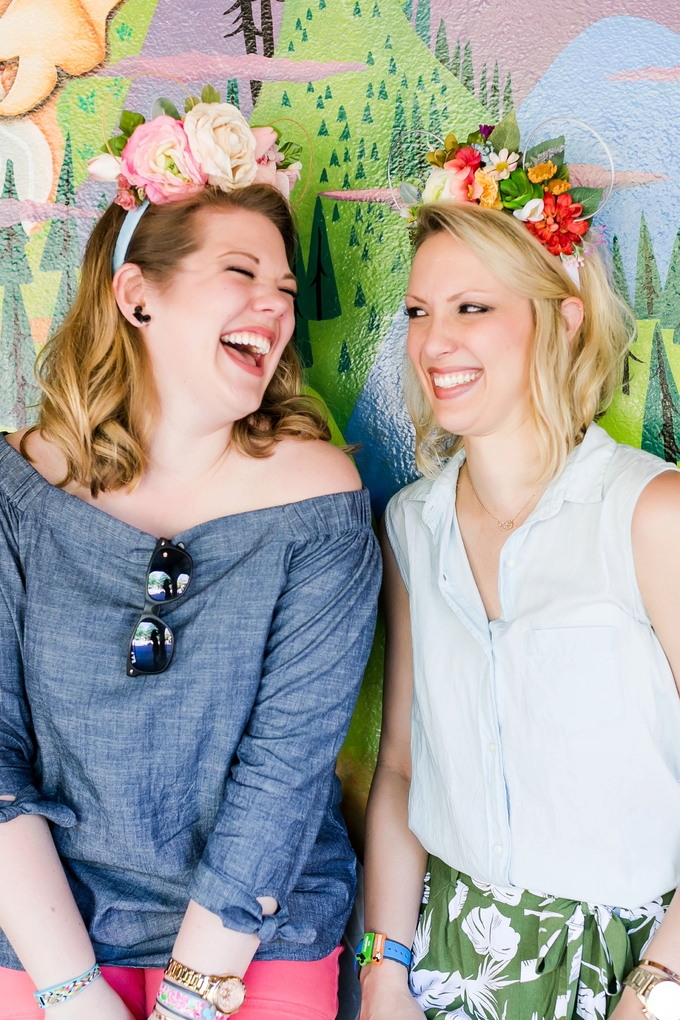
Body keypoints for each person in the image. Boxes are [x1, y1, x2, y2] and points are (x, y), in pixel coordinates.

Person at [0, 100, 381, 1020]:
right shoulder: (18, 488)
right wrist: (71, 993)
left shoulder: (318, 500)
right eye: (242, 272)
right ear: (137, 296)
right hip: (47, 936)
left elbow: (285, 769)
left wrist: (191, 999)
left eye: (287, 290)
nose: (276, 307)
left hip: (255, 943)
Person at [359, 201, 680, 1020]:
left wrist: (652, 994)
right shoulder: (410, 527)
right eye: (420, 313)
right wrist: (384, 973)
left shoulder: (649, 513)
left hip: (638, 960)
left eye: (473, 307)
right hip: (450, 959)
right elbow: (400, 765)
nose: (435, 342)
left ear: (562, 320)